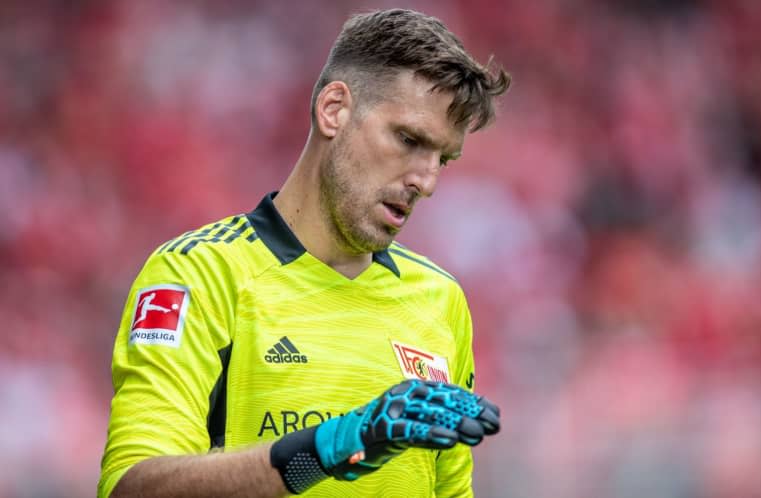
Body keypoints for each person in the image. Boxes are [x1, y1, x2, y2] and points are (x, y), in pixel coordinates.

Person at [98, 8, 510, 498]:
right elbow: (131, 489)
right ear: (334, 109)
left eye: (443, 158)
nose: (427, 181)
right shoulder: (200, 273)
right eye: (408, 140)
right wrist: (335, 444)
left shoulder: (441, 300)